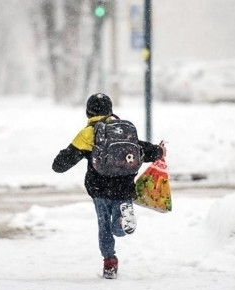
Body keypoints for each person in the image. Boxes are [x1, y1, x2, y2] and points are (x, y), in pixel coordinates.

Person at [52, 93, 166, 279]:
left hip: (100, 188)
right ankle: (122, 221)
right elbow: (143, 149)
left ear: (88, 112)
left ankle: (110, 263)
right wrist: (160, 150)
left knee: (104, 226)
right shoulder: (124, 130)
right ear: (111, 110)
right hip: (124, 186)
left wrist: (62, 157)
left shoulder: (88, 133)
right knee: (117, 226)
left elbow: (60, 165)